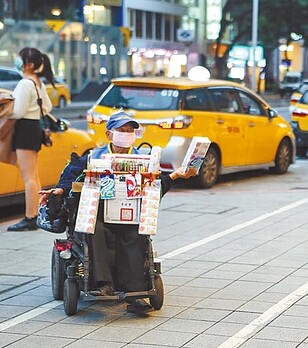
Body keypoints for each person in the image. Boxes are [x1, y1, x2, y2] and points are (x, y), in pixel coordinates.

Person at [39, 112, 197, 313]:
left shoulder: (143, 158)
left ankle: (137, 294)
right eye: (121, 130)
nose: (126, 134)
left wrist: (175, 176)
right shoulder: (93, 156)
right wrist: (60, 189)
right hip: (99, 212)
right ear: (109, 134)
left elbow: (156, 186)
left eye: (130, 130)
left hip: (129, 212)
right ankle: (103, 284)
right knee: (94, 231)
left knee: (136, 234)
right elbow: (71, 177)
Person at [7, 47, 55, 231]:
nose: (17, 61)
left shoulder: (25, 84)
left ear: (29, 64)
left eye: (20, 59)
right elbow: (48, 106)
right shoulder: (37, 83)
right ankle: (37, 213)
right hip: (34, 128)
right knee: (33, 175)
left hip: (25, 129)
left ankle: (30, 217)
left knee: (28, 177)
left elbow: (18, 111)